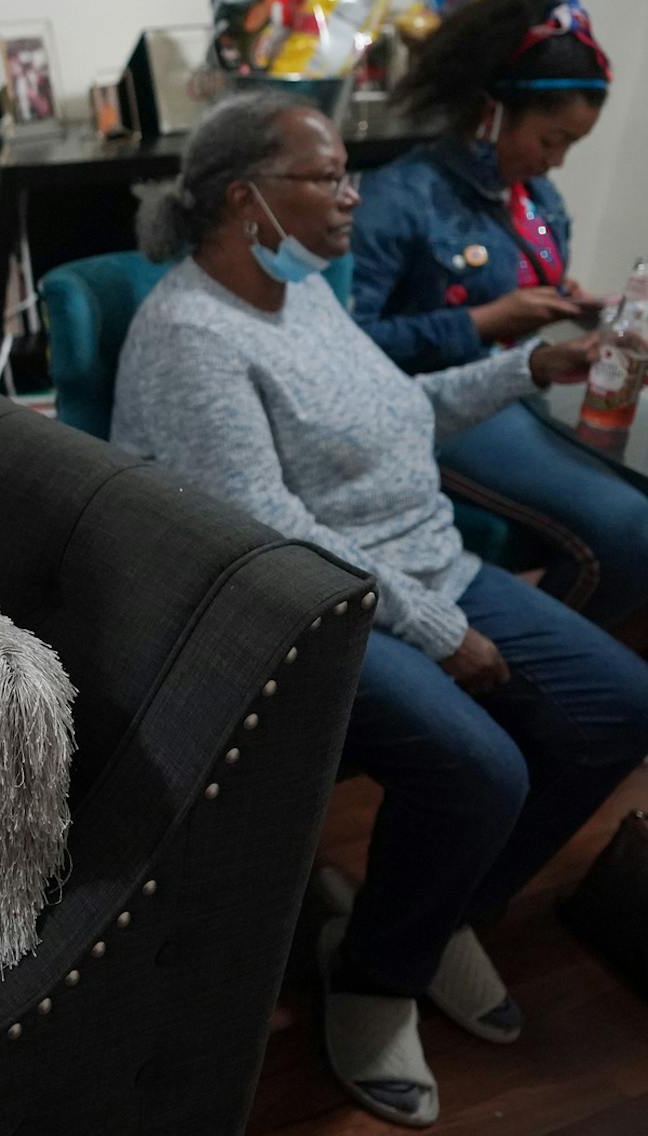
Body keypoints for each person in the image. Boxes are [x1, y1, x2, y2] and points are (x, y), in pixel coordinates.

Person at [114, 92, 648, 1128]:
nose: (353, 195)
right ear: (247, 198)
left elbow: (404, 411)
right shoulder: (190, 335)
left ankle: (433, 915)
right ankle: (373, 979)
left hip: (424, 563)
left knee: (621, 708)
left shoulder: (304, 291)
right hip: (311, 604)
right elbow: (270, 525)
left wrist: (527, 366)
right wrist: (441, 631)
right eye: (329, 176)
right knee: (481, 770)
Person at [353, 0, 648, 627]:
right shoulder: (399, 198)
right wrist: (483, 322)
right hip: (438, 405)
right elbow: (348, 346)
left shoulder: (536, 200)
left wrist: (583, 307)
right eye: (551, 139)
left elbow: (536, 276)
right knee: (632, 526)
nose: (557, 161)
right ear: (492, 112)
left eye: (571, 145)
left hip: (523, 387)